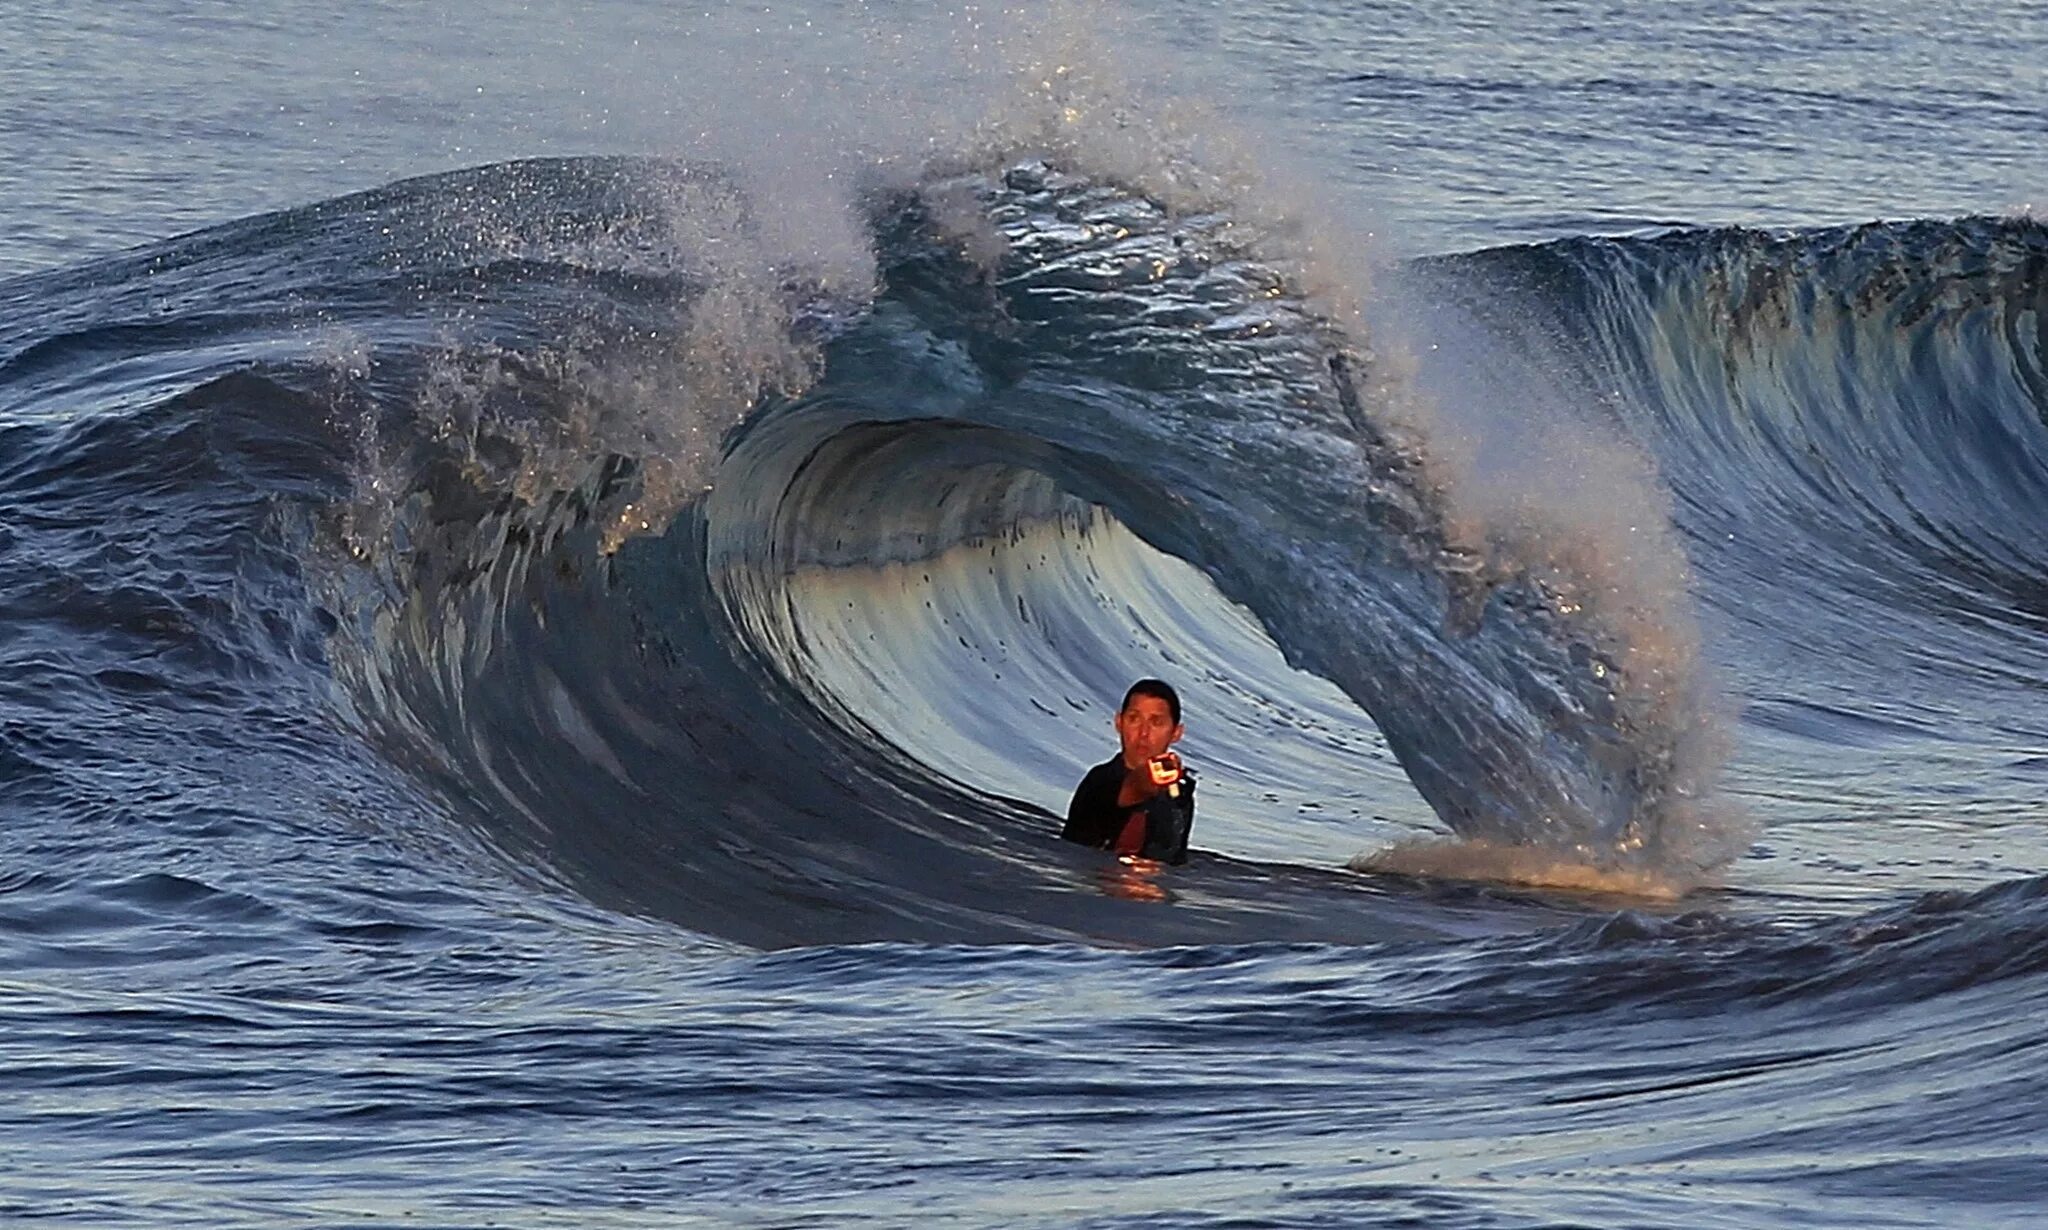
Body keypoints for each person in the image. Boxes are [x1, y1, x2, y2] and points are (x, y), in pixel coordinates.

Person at [1063, 679, 1196, 865]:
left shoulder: (1178, 792)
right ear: (1119, 722)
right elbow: (1135, 786)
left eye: (1156, 722)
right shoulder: (1101, 781)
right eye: (1134, 719)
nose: (1143, 732)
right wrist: (1153, 779)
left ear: (1176, 733)